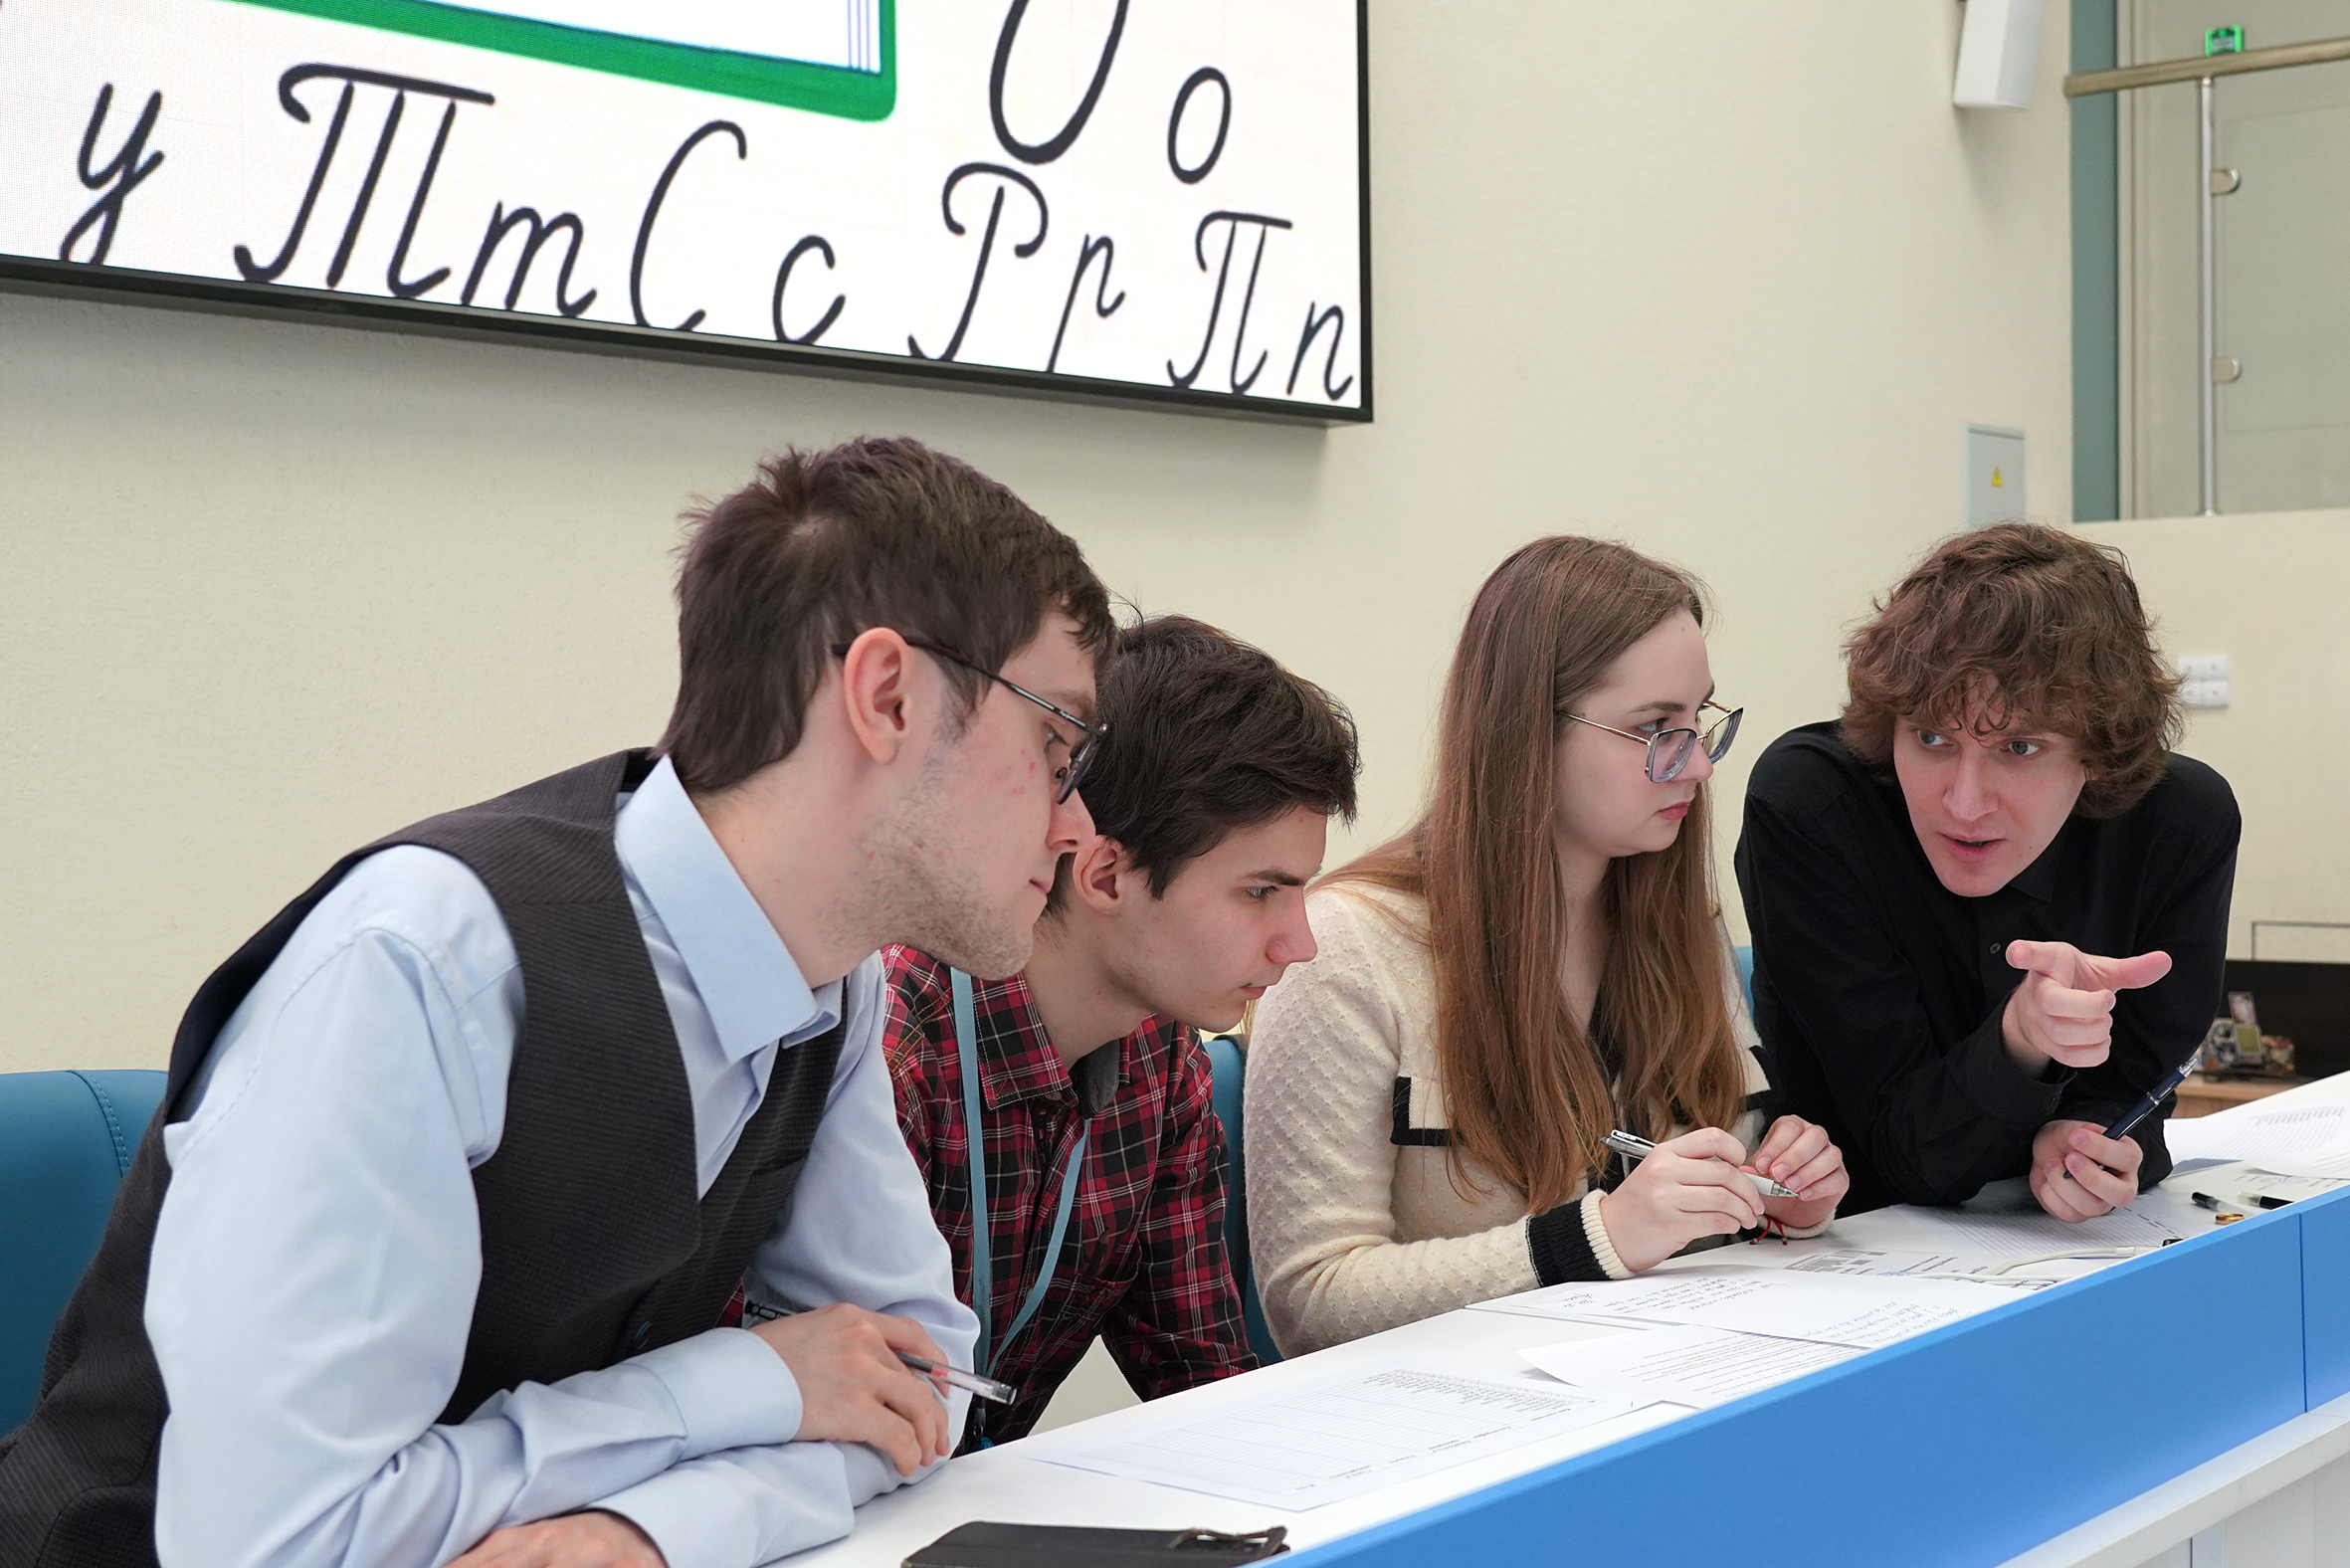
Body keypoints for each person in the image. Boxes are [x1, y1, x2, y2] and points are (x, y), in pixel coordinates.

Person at [0, 438, 1116, 1568]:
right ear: (887, 698)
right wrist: (738, 1384)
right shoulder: (426, 963)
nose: (1077, 828)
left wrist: (648, 1529)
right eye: (1057, 743)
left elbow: (915, 1386)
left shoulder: (832, 981)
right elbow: (288, 1540)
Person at [1246, 537, 1848, 1357]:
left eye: (1700, 721)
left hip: (1678, 1376)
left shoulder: (1683, 921)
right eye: (1654, 727)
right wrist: (1594, 1236)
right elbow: (1311, 1301)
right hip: (1462, 1412)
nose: (1699, 766)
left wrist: (1781, 1199)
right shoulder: (1347, 949)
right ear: (1529, 732)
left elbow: (1711, 1200)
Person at [881, 615, 1360, 1446]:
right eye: (1260, 893)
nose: (1300, 944)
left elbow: (1203, 1380)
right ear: (1104, 873)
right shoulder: (892, 1049)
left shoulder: (1162, 1058)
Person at [1735, 522, 2238, 1221]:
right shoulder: (1814, 808)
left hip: (2072, 1250)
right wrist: (2019, 1042)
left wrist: (2091, 1136)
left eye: (2019, 747)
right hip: (1852, 1240)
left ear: (2098, 752)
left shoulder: (2179, 824)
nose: (1965, 803)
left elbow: (2139, 1094)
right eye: (1931, 737)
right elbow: (1900, 1151)